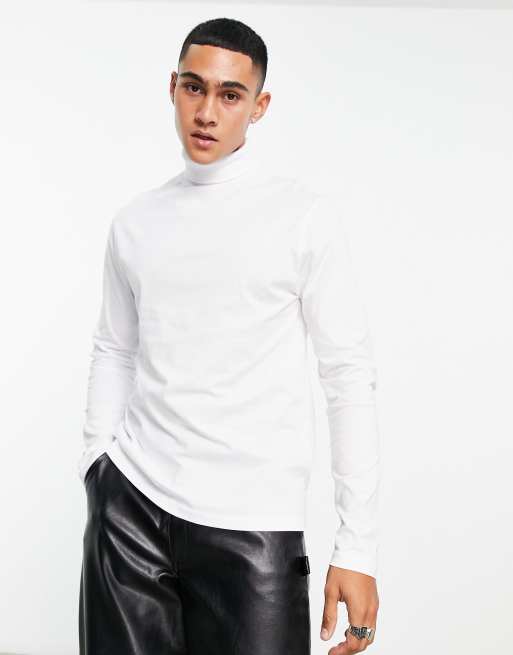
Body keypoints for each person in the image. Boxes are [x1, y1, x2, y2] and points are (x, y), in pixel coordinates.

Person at [78, 16, 380, 655]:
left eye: (230, 94)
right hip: (130, 513)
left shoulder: (302, 218)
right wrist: (97, 465)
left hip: (254, 527)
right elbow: (115, 348)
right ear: (172, 88)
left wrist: (356, 547)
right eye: (194, 87)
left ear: (259, 106)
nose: (207, 112)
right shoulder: (135, 222)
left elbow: (347, 376)